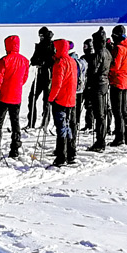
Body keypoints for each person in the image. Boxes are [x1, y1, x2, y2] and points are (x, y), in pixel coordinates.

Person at [0, 34, 30, 160]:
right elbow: (24, 78)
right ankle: (15, 149)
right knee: (15, 122)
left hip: (3, 96)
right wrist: (17, 85)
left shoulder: (4, 60)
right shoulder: (24, 60)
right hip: (16, 96)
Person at [47, 38, 79, 166]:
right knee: (68, 126)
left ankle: (61, 157)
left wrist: (51, 98)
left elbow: (57, 84)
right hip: (71, 98)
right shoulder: (72, 61)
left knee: (61, 127)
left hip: (61, 99)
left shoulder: (60, 63)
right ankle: (71, 153)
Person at [85, 27, 112, 152]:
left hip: (98, 84)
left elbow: (93, 70)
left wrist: (89, 81)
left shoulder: (100, 52)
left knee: (99, 114)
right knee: (102, 113)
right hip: (104, 83)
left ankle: (100, 141)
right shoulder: (107, 52)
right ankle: (101, 139)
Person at [108, 25, 127, 147]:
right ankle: (126, 133)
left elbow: (115, 66)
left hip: (117, 81)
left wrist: (108, 71)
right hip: (125, 80)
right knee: (124, 110)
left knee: (117, 111)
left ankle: (119, 137)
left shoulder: (119, 48)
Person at [29, 27, 55, 130]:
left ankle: (45, 123)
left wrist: (43, 63)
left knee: (46, 100)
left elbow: (52, 60)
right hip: (39, 75)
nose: (40, 37)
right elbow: (33, 59)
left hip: (48, 76)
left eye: (42, 36)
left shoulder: (51, 46)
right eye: (39, 35)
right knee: (32, 97)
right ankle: (31, 122)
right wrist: (38, 62)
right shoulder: (39, 46)